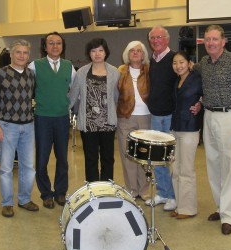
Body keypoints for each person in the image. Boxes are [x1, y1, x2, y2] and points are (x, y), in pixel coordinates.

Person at [195, 25, 231, 234]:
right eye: (207, 39)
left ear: (223, 41)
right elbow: (194, 81)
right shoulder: (204, 63)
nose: (210, 43)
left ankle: (228, 216)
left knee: (229, 167)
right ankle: (220, 207)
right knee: (213, 164)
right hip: (209, 116)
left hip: (230, 117)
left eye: (214, 39)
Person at [145, 26, 201, 211]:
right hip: (155, 115)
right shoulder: (152, 60)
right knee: (157, 158)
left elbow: (196, 83)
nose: (155, 40)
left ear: (167, 39)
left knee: (173, 160)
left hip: (171, 116)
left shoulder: (176, 59)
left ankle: (176, 197)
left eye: (159, 37)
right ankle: (164, 193)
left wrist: (200, 101)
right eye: (152, 38)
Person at [0, 39, 39, 217]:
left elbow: (31, 99)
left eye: (25, 53)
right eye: (18, 52)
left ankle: (24, 199)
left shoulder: (31, 75)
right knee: (6, 167)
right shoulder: (0, 74)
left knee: (28, 166)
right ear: (11, 54)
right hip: (7, 126)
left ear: (29, 55)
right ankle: (7, 202)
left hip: (28, 126)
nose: (22, 56)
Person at [28, 32, 76, 209]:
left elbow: (73, 89)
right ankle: (46, 193)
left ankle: (61, 192)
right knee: (42, 158)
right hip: (42, 117)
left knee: (62, 158)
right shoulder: (35, 65)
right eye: (51, 43)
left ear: (62, 46)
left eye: (58, 43)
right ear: (45, 46)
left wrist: (66, 106)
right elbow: (28, 88)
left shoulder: (69, 66)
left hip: (62, 118)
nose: (55, 46)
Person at [69, 38, 120, 182]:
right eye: (93, 51)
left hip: (108, 122)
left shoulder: (114, 72)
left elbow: (117, 97)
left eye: (100, 50)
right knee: (90, 158)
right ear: (89, 53)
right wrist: (60, 109)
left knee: (108, 158)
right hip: (88, 123)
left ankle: (106, 188)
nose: (97, 54)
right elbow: (73, 96)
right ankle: (92, 188)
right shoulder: (82, 72)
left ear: (106, 52)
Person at [170, 51, 203, 219]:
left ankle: (188, 209)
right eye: (175, 63)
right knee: (175, 169)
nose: (178, 66)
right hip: (175, 128)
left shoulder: (197, 78)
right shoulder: (177, 80)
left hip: (190, 128)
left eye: (181, 62)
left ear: (189, 63)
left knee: (187, 170)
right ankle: (180, 204)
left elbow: (207, 95)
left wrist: (200, 103)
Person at [117, 41, 151, 200]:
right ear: (127, 54)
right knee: (128, 155)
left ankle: (144, 190)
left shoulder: (150, 70)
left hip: (146, 117)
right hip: (125, 117)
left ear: (144, 54)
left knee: (144, 155)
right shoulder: (120, 71)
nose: (136, 53)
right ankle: (131, 189)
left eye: (139, 51)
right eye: (132, 51)